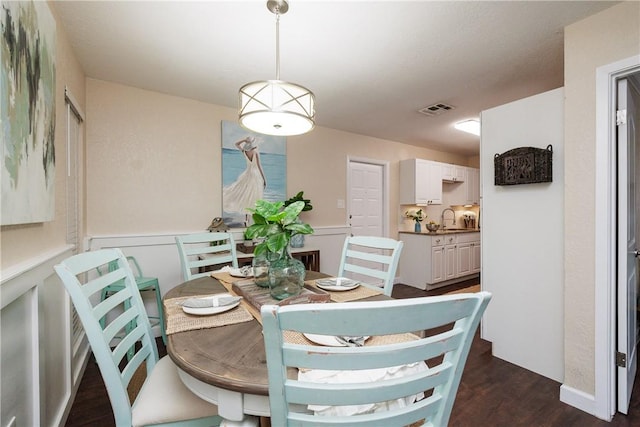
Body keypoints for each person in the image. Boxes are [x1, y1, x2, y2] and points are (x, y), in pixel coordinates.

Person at [223, 136, 267, 222]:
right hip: (255, 176)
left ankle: (247, 219)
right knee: (252, 196)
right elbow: (259, 167)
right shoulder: (255, 153)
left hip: (247, 174)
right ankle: (249, 219)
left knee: (247, 195)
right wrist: (264, 179)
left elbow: (236, 144)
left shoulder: (245, 151)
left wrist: (244, 140)